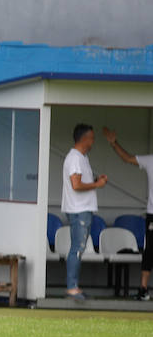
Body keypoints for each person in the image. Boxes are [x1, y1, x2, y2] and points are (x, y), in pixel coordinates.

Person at [100, 127, 152, 301]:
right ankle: (143, 289)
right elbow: (127, 158)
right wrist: (114, 143)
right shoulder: (150, 160)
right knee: (149, 251)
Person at [61, 123, 107, 302]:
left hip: (83, 209)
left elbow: (81, 182)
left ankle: (75, 286)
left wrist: (95, 180)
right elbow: (76, 185)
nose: (93, 141)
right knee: (77, 249)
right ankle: (72, 288)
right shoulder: (75, 158)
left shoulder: (82, 157)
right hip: (78, 210)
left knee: (79, 248)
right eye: (92, 138)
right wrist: (97, 185)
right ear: (85, 139)